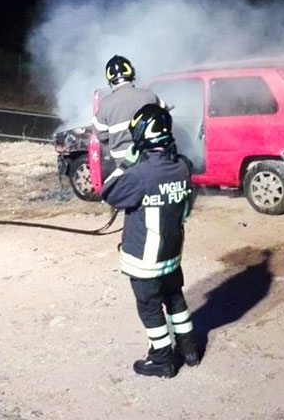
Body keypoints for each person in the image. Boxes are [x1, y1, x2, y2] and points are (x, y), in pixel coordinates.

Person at [101, 103, 201, 378]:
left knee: (150, 307)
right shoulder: (182, 166)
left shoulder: (140, 174)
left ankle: (161, 360)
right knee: (174, 297)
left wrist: (127, 163)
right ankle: (189, 349)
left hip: (145, 261)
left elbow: (109, 192)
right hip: (171, 255)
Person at [92, 55, 165, 169]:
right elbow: (165, 117)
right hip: (153, 159)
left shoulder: (105, 105)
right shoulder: (149, 96)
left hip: (124, 164)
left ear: (110, 80)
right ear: (132, 74)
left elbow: (101, 135)